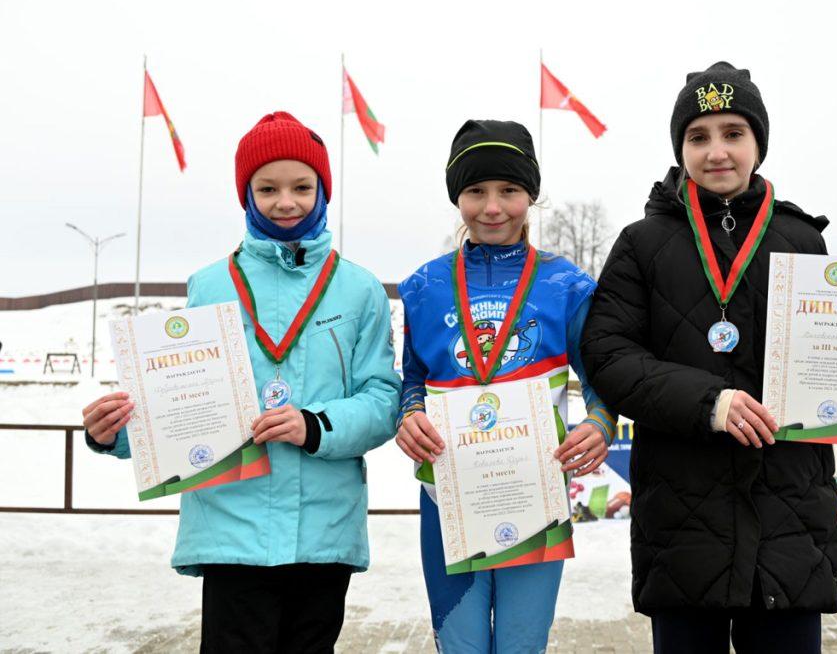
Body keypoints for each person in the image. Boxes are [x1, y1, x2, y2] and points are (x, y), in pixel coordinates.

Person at [580, 63, 837, 653]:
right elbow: (608, 357)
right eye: (698, 136)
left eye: (733, 133)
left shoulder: (800, 240)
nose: (717, 151)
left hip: (788, 517)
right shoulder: (642, 243)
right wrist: (709, 404)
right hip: (683, 521)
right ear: (680, 147)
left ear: (758, 144)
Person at [81, 111, 401, 653]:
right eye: (267, 187)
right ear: (246, 195)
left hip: (324, 530)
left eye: (302, 186)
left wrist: (316, 426)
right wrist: (114, 434)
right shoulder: (208, 285)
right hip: (231, 524)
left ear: (324, 190)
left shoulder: (360, 289)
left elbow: (383, 397)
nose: (286, 201)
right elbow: (184, 399)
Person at [395, 120, 617, 653]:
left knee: (522, 645)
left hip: (535, 491)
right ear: (457, 197)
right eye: (476, 191)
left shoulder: (567, 284)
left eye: (509, 191)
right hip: (447, 492)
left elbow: (599, 380)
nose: (493, 208)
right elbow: (412, 379)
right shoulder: (424, 286)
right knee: (463, 646)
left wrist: (599, 423)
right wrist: (407, 417)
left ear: (531, 197)